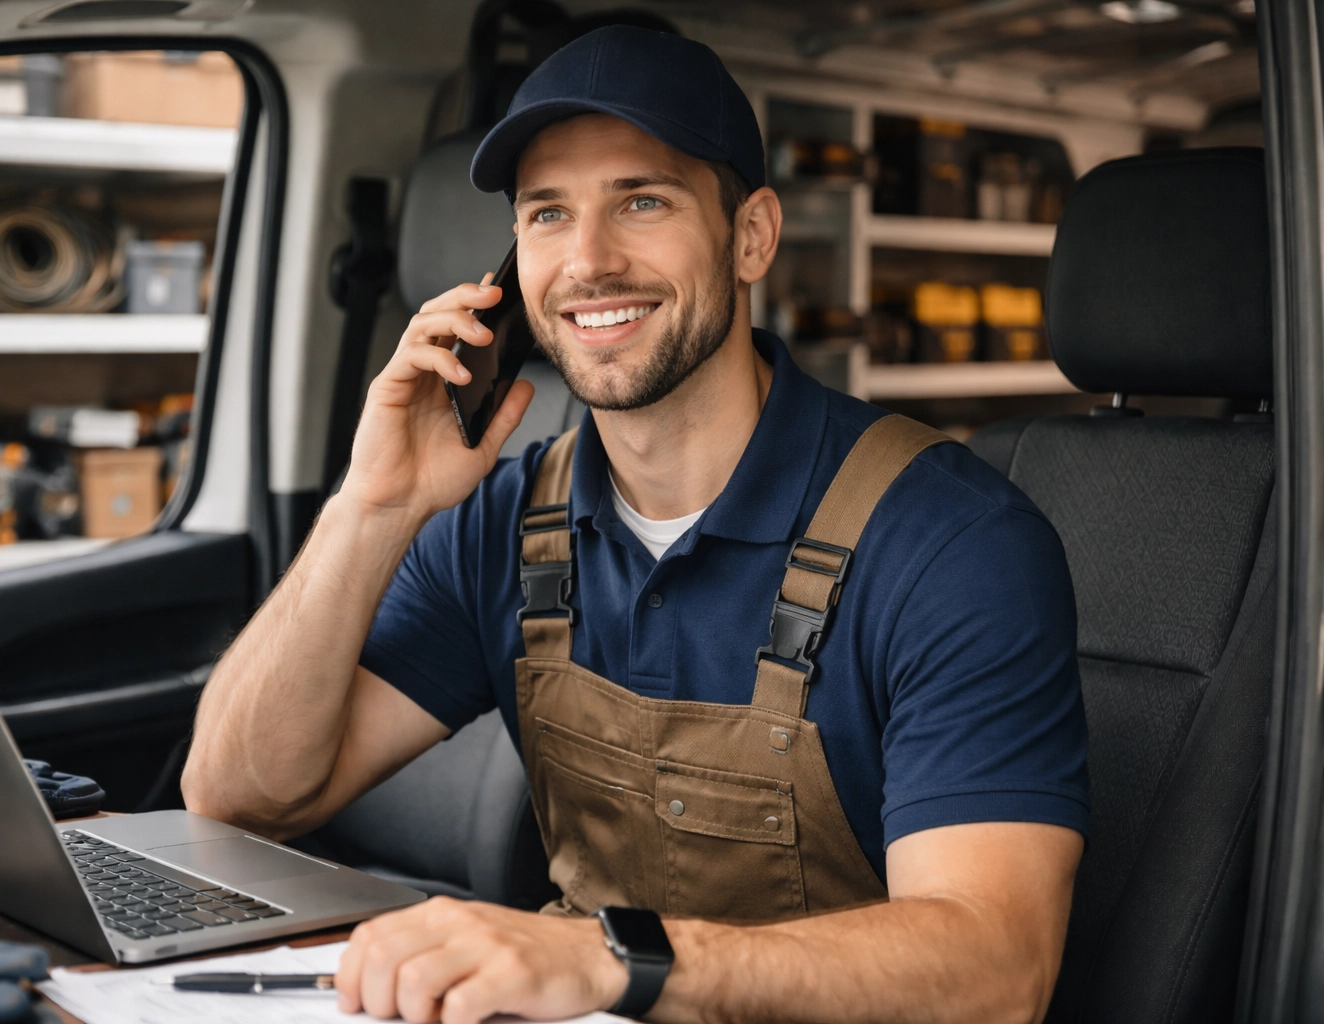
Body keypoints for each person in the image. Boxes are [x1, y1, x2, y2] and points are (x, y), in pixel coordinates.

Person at [183, 25, 1088, 1024]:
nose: (589, 261)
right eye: (546, 214)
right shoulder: (502, 518)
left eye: (642, 201)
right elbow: (240, 794)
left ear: (751, 236)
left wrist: (611, 959)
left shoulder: (950, 542)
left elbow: (998, 970)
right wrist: (372, 504)